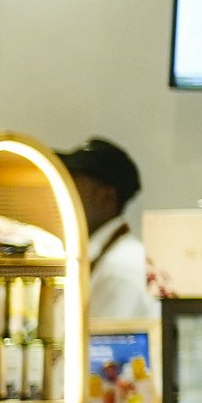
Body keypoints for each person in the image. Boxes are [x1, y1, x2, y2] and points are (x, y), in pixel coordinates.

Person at [62, 138, 151, 336]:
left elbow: (99, 353)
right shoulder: (110, 256)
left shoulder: (120, 267)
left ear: (107, 197)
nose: (64, 192)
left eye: (74, 182)